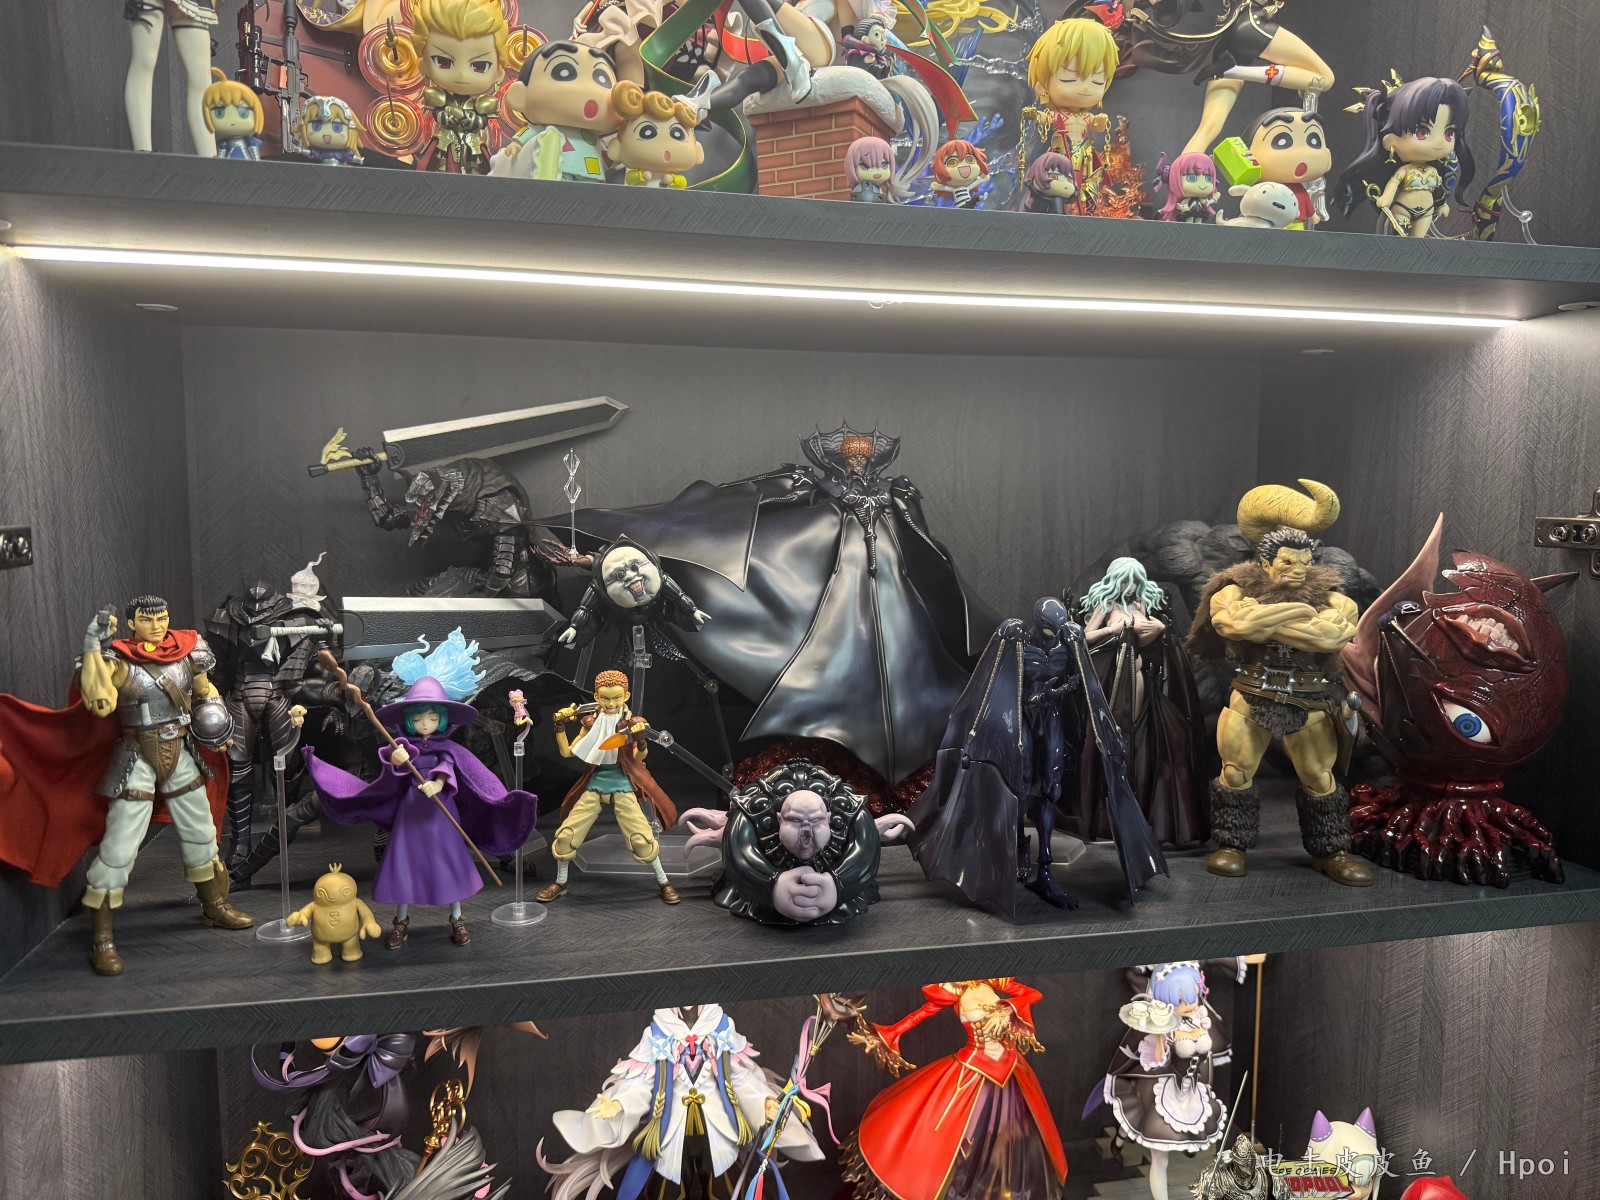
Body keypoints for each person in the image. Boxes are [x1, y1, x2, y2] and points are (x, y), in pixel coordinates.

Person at [303, 675, 539, 947]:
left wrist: (437, 783)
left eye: (431, 718)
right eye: (417, 719)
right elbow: (390, 775)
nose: (424, 724)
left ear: (442, 720)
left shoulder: (448, 749)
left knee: (449, 864)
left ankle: (457, 919)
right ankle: (401, 921)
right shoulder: (404, 747)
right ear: (408, 720)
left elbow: (448, 767)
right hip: (411, 814)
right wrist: (396, 760)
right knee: (405, 864)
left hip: (442, 815)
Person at [538, 670, 681, 905]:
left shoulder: (631, 724)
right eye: (605, 698)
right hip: (596, 785)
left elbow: (639, 757)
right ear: (597, 696)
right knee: (565, 837)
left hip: (622, 784)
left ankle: (664, 882)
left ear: (626, 696)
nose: (611, 704)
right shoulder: (590, 722)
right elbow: (567, 752)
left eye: (616, 698)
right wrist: (560, 727)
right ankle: (560, 883)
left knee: (641, 841)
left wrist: (641, 740)